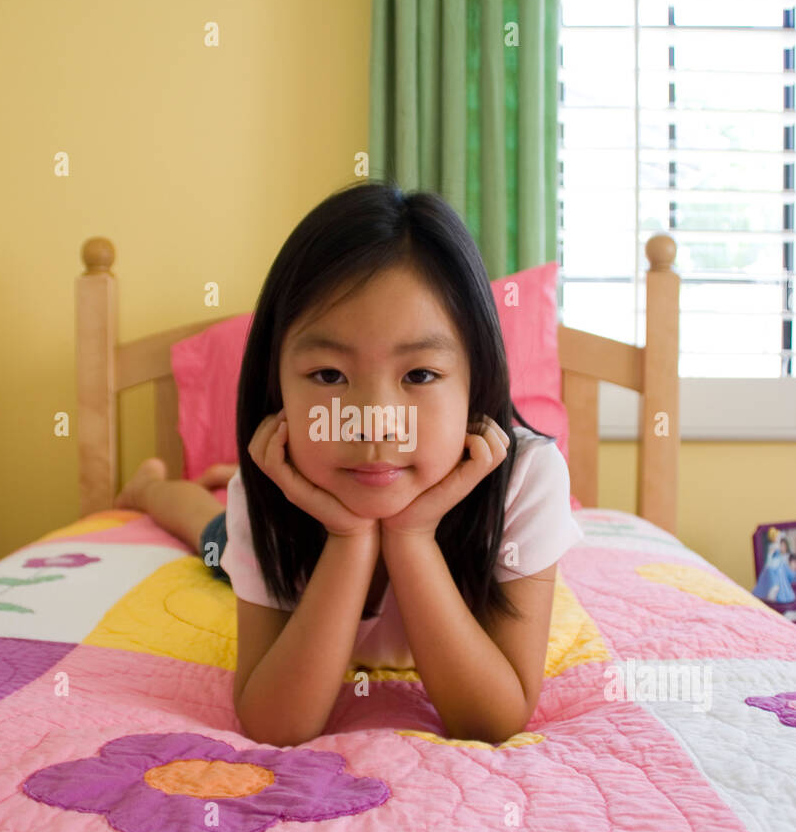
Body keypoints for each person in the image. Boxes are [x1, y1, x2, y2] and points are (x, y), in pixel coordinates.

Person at [115, 180, 583, 748]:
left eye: (419, 376)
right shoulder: (267, 489)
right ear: (276, 386)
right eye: (330, 377)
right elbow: (275, 724)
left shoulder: (526, 479)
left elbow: (491, 720)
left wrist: (410, 536)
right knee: (207, 535)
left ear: (475, 383)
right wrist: (350, 535)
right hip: (287, 511)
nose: (374, 423)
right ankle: (151, 487)